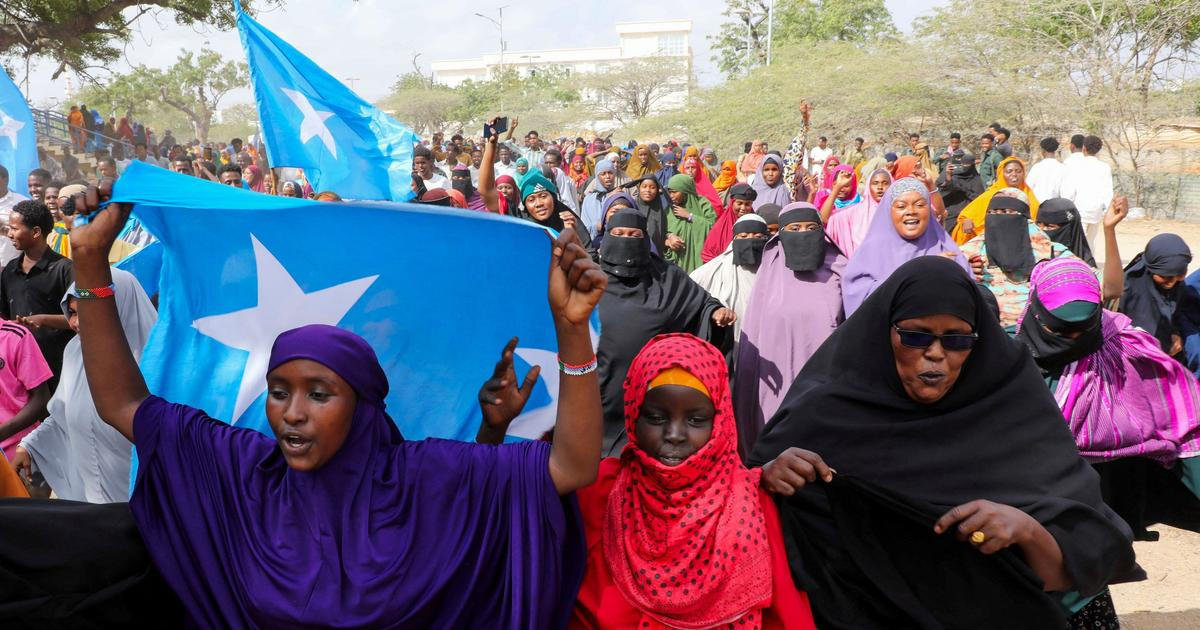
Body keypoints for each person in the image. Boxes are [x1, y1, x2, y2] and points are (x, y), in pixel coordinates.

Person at [9, 185, 610, 627]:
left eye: (319, 395)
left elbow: (572, 467)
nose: (292, 413)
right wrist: (90, 262)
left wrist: (572, 332)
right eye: (279, 391)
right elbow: (122, 403)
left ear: (365, 405)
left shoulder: (425, 477)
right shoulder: (244, 471)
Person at [749, 256, 1137, 629]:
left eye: (957, 340)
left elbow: (1088, 556)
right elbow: (736, 510)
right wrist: (765, 480)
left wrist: (1027, 530)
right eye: (916, 337)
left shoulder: (1012, 409)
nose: (935, 355)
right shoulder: (824, 412)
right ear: (885, 332)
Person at [484, 333, 816, 629]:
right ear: (632, 414)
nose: (674, 435)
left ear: (721, 421)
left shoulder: (750, 506)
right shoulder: (598, 491)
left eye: (696, 419)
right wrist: (494, 430)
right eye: (655, 417)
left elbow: (786, 615)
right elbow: (503, 514)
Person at [1015, 257, 1200, 542]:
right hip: (1032, 501)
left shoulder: (1128, 349)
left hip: (1106, 494)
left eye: (1084, 330)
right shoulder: (1007, 358)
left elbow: (1181, 418)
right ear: (1037, 312)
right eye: (1060, 330)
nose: (1074, 339)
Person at [595, 209, 734, 453]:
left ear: (646, 240)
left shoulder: (667, 278)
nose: (626, 240)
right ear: (607, 238)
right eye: (619, 234)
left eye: (634, 235)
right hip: (601, 388)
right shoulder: (589, 278)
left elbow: (701, 303)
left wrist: (714, 313)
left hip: (653, 392)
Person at [13, 268, 155, 502]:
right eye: (71, 312)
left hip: (146, 506)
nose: (75, 323)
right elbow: (61, 415)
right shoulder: (75, 353)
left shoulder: (156, 367)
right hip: (92, 508)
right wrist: (28, 446)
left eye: (87, 312)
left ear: (118, 308)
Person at [732, 203, 847, 455]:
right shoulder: (770, 272)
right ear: (781, 235)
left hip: (823, 383)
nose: (803, 234)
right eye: (794, 228)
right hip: (776, 384)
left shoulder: (841, 270)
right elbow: (755, 332)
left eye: (811, 227)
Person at [841, 178, 971, 316]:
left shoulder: (946, 250)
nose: (911, 211)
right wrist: (924, 273)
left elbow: (968, 301)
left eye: (920, 205)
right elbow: (858, 302)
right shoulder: (868, 254)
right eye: (901, 206)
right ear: (888, 211)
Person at [1, 201, 74, 389]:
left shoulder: (64, 269)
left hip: (58, 366)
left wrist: (42, 319)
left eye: (15, 229)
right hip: (19, 367)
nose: (9, 234)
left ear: (35, 232)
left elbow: (82, 319)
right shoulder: (10, 271)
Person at [690, 213, 769, 343]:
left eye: (758, 237)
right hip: (728, 344)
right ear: (734, 240)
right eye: (743, 236)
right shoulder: (711, 271)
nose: (750, 241)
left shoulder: (774, 272)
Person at [1116, 233, 1192, 356]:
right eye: (1164, 276)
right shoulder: (1125, 289)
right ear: (1151, 268)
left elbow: (1177, 318)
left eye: (1178, 275)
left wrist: (1176, 334)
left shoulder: (1180, 287)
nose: (1171, 283)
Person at [952, 156, 1041, 244]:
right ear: (1001, 174)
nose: (1014, 174)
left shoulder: (1029, 195)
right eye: (1009, 171)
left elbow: (1038, 218)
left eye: (1018, 171)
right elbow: (967, 215)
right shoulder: (992, 194)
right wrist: (966, 221)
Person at [1059, 135, 1114, 258]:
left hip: (1079, 210)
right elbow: (1108, 191)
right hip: (1096, 211)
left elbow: (1068, 191)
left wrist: (1066, 205)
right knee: (1090, 242)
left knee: (1077, 243)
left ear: (1084, 148)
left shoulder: (1076, 165)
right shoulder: (1104, 167)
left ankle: (1077, 269)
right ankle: (1090, 268)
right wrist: (1107, 210)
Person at [826, 168, 892, 259]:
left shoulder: (898, 212)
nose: (880, 187)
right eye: (875, 183)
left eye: (885, 183)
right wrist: (838, 187)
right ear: (868, 186)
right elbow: (826, 219)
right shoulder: (855, 211)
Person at [519, 171, 592, 249]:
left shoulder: (569, 221)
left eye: (543, 196)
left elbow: (589, 252)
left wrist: (572, 236)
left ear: (554, 199)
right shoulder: (522, 231)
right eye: (531, 200)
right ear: (525, 206)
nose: (539, 204)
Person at [664, 174, 717, 274]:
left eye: (675, 192)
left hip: (700, 262)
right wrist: (669, 236)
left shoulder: (702, 204)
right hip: (678, 261)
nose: (671, 196)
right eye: (670, 192)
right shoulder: (670, 210)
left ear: (685, 191)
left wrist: (690, 216)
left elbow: (713, 227)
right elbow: (663, 230)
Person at [700, 183, 757, 263]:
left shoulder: (756, 224)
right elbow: (708, 255)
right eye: (739, 203)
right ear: (732, 203)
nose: (743, 208)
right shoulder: (721, 226)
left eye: (747, 204)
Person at [1036, 198, 1097, 267]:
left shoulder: (1085, 267)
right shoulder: (1030, 257)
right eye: (1038, 224)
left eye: (1049, 227)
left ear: (1069, 229)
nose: (1041, 231)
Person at [935, 150, 984, 232]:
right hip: (951, 215)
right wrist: (948, 178)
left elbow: (979, 200)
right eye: (963, 164)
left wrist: (964, 190)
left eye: (967, 164)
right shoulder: (954, 176)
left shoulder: (977, 180)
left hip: (968, 217)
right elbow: (942, 193)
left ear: (972, 165)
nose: (965, 167)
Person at [623, 175, 669, 255]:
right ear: (638, 188)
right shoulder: (632, 208)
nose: (648, 190)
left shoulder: (663, 210)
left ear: (658, 190)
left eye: (652, 187)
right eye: (644, 187)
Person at [579, 160, 618, 239]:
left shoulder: (619, 196)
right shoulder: (589, 199)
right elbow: (584, 229)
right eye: (603, 174)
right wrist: (597, 226)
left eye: (610, 173)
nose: (607, 176)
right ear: (597, 176)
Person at [1027, 137, 1065, 202]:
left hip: (1038, 206)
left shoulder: (1036, 167)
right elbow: (1065, 193)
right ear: (1055, 150)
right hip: (1056, 206)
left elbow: (1028, 187)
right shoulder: (1063, 168)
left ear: (1043, 151)